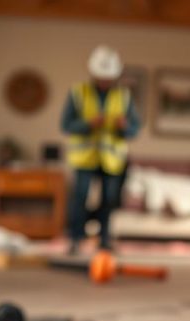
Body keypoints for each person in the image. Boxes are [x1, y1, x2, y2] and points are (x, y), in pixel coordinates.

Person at [60, 45, 141, 254]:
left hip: (112, 159)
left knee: (109, 199)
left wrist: (125, 128)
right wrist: (88, 124)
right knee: (80, 198)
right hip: (85, 157)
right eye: (101, 77)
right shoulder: (78, 92)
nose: (105, 81)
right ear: (93, 74)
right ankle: (75, 239)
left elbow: (135, 128)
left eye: (109, 77)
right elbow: (66, 125)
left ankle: (104, 239)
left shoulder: (124, 96)